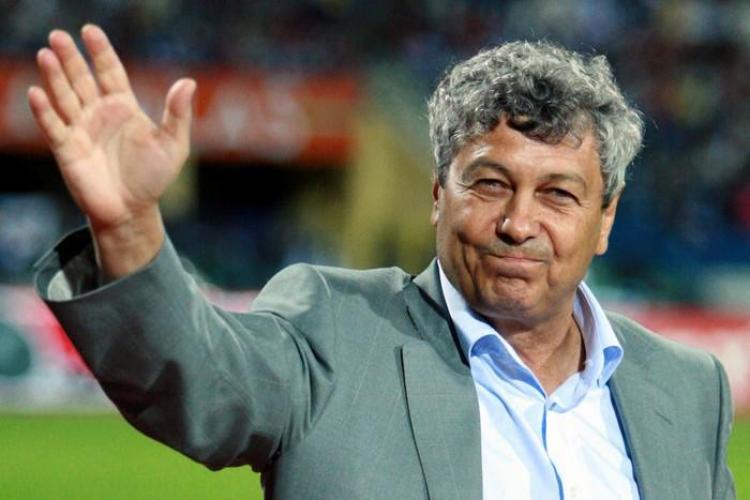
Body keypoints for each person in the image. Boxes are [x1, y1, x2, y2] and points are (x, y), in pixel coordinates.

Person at [30, 24, 734, 500]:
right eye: (490, 184)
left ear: (604, 218)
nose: (519, 224)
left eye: (558, 194)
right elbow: (200, 384)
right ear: (437, 195)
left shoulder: (687, 389)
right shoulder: (334, 330)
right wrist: (128, 227)